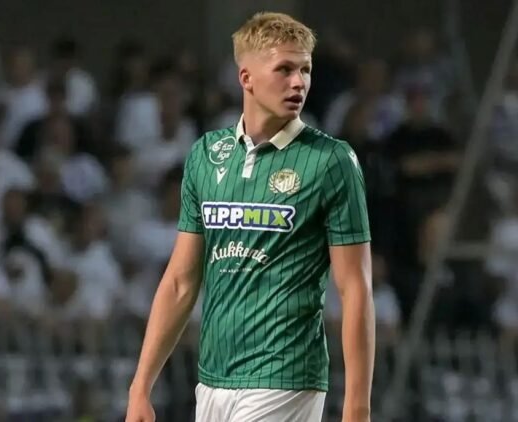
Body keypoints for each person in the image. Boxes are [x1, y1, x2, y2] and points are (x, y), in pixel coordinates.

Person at [125, 12, 375, 422]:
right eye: (285, 69)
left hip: (286, 378)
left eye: (305, 70)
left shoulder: (331, 161)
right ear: (246, 78)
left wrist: (358, 407)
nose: (299, 82)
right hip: (213, 380)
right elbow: (180, 282)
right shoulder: (205, 155)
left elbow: (355, 288)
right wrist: (140, 386)